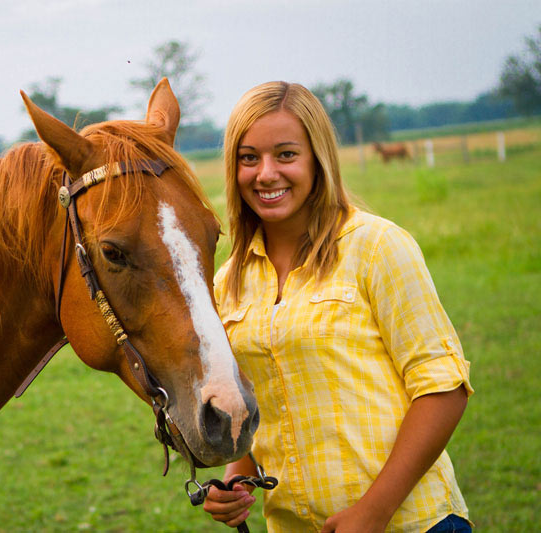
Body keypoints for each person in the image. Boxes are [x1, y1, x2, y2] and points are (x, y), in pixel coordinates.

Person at [201, 81, 473, 533]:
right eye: (249, 158)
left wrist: (374, 510)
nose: (266, 173)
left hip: (410, 523)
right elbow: (261, 407)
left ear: (318, 159)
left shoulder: (378, 246)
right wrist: (235, 482)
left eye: (286, 154)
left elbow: (443, 389)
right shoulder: (227, 283)